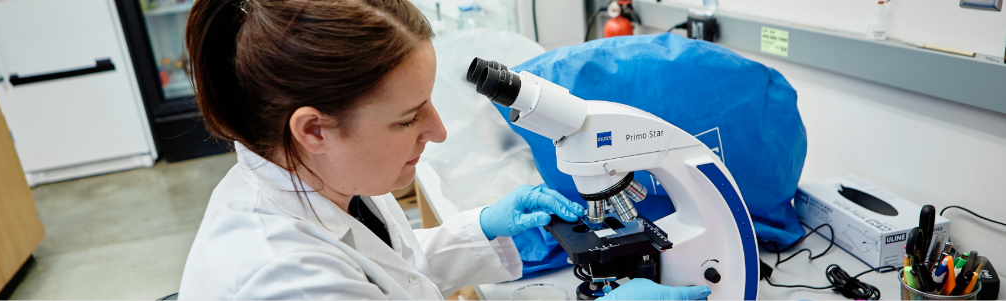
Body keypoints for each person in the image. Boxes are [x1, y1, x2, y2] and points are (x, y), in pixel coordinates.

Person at [178, 0, 712, 299]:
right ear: (314, 130)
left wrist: (483, 228)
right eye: (408, 117)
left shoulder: (329, 178)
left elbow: (393, 272)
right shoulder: (285, 281)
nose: (438, 131)